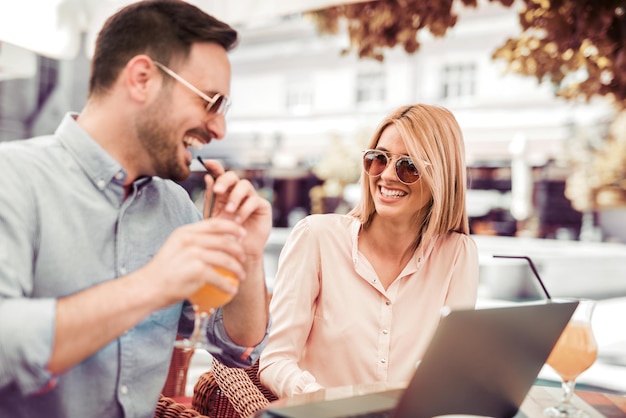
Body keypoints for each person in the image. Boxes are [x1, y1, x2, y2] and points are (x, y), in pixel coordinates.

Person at [0, 1, 272, 417]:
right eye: (210, 101)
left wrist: (249, 254)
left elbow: (235, 346)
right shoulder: (13, 178)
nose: (219, 129)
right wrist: (152, 285)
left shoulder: (175, 205)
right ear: (142, 78)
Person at [258, 104, 479, 398]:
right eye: (379, 159)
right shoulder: (316, 238)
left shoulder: (457, 254)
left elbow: (453, 369)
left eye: (408, 166)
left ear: (441, 176)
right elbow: (275, 361)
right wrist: (325, 401)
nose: (387, 176)